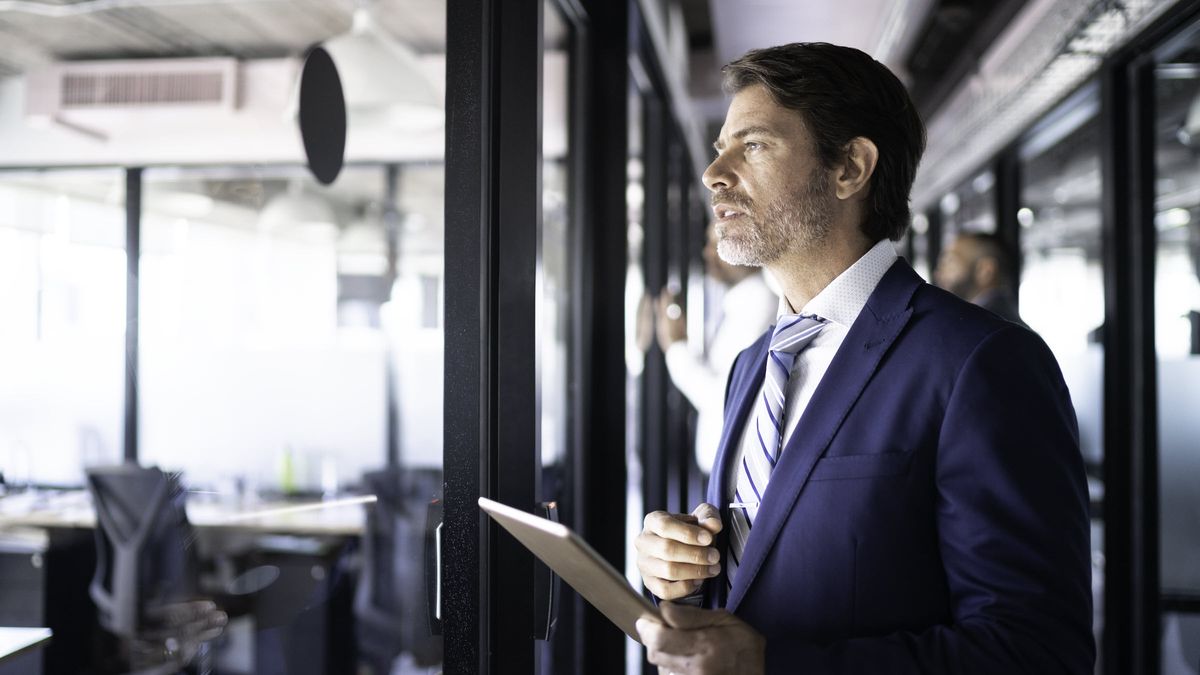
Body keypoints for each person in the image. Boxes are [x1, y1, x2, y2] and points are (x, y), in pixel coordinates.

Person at [633, 42, 1093, 674]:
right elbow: (759, 576)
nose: (716, 173)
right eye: (720, 147)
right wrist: (680, 573)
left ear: (850, 167)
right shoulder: (752, 364)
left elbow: (1038, 652)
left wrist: (773, 666)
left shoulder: (981, 360)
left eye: (755, 145)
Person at [654, 222, 777, 475]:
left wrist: (676, 347)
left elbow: (724, 397)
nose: (708, 252)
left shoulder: (761, 306)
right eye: (709, 243)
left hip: (736, 476)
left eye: (718, 241)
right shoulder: (737, 303)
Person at [934, 231, 1026, 325]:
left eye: (949, 262)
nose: (938, 273)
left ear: (985, 271)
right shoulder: (1006, 320)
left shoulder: (979, 325)